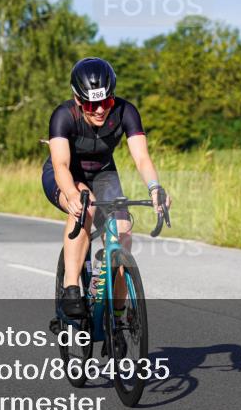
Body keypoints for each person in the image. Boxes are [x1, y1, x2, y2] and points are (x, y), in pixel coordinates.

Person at [42, 58, 171, 318]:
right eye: (91, 104)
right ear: (77, 99)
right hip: (67, 175)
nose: (100, 110)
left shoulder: (126, 111)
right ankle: (71, 288)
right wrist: (70, 194)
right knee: (84, 208)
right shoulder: (63, 116)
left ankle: (119, 313)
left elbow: (142, 158)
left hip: (103, 174)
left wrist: (155, 188)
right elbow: (61, 165)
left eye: (106, 102)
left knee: (123, 230)